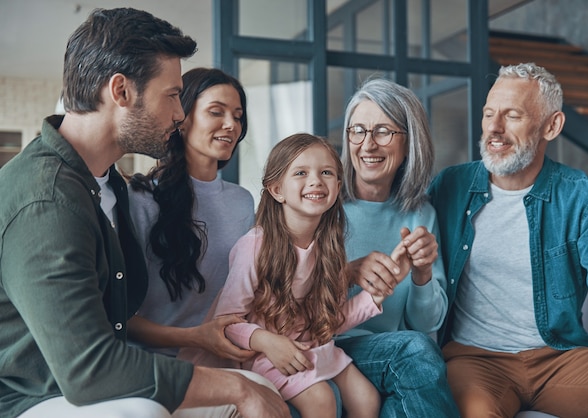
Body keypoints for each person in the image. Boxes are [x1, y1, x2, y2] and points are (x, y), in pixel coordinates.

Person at [0, 8, 289, 418]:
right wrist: (233, 386)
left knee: (259, 387)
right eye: (172, 95)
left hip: (96, 382)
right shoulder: (46, 200)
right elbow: (89, 371)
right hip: (37, 397)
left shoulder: (107, 183)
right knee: (145, 411)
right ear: (121, 91)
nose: (178, 113)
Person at [428, 62, 588, 417]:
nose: (495, 128)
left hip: (561, 356)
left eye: (512, 115)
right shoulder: (449, 187)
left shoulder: (587, 198)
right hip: (476, 360)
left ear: (552, 125)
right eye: (489, 114)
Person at [208, 133, 412, 418]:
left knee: (366, 400)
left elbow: (327, 324)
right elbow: (225, 322)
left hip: (316, 349)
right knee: (321, 400)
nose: (316, 181)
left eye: (326, 172)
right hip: (267, 355)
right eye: (301, 173)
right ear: (277, 189)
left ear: (338, 186)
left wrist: (377, 293)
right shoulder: (254, 246)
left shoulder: (328, 248)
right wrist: (267, 341)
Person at [335, 77, 460, 417]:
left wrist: (421, 276)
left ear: (410, 143)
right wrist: (347, 274)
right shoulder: (324, 204)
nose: (368, 144)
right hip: (332, 348)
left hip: (395, 361)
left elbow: (425, 325)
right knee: (415, 352)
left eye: (383, 132)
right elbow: (286, 297)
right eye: (357, 130)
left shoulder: (421, 214)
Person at [127, 67, 256, 365]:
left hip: (230, 360)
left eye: (237, 116)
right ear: (181, 119)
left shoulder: (243, 201)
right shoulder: (142, 200)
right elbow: (121, 318)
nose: (230, 125)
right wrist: (196, 337)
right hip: (161, 364)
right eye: (216, 112)